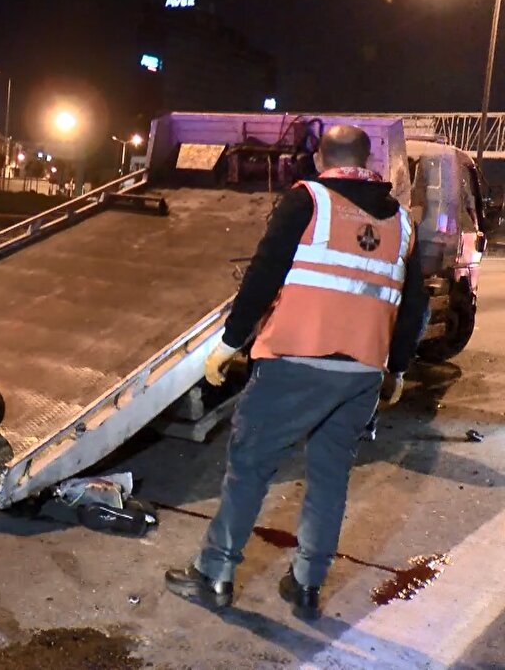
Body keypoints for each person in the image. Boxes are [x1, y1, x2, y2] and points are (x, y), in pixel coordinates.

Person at [163, 124, 428, 620]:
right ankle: (307, 584)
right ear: (367, 159)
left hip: (295, 362)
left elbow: (265, 273)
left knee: (250, 468)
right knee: (330, 478)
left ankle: (214, 573)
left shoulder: (309, 199)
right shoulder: (402, 224)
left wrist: (230, 342)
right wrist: (398, 369)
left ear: (321, 158)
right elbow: (414, 305)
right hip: (362, 373)